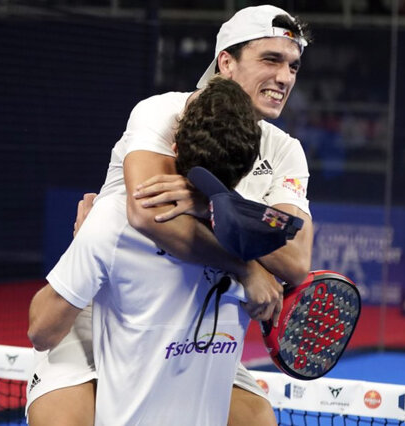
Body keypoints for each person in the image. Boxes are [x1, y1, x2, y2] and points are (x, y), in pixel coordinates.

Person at [28, 5, 314, 425]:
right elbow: (148, 215)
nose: (286, 77)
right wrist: (247, 266)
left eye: (293, 65)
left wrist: (207, 202)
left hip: (195, 314)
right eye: (270, 59)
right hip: (101, 308)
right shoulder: (162, 113)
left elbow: (294, 261)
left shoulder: (285, 150)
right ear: (226, 62)